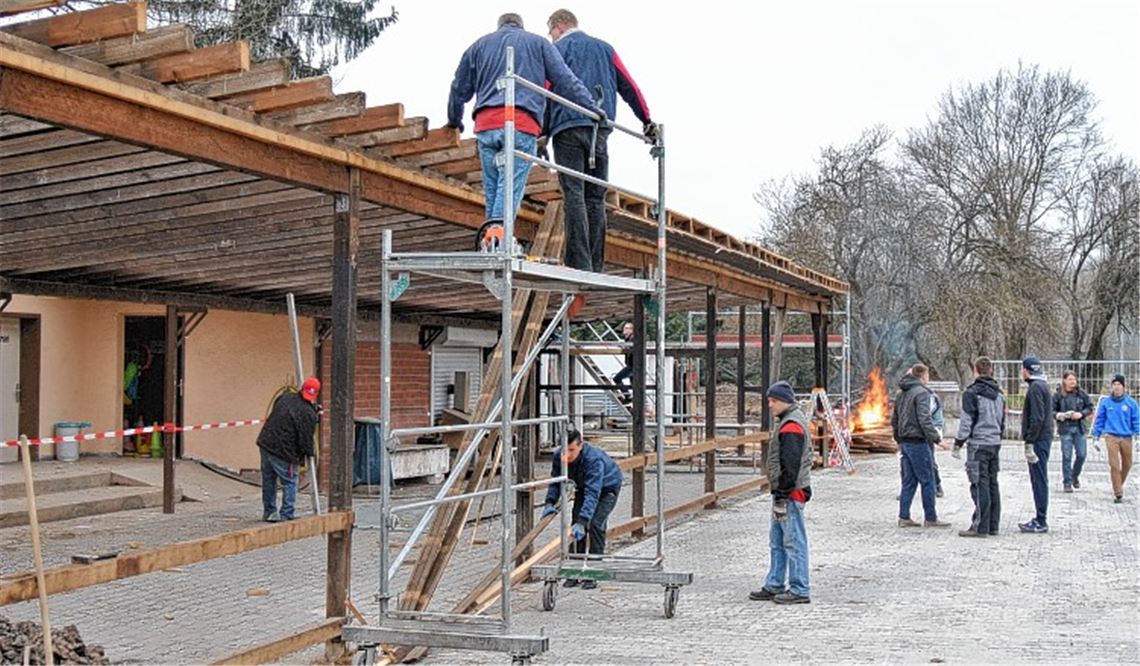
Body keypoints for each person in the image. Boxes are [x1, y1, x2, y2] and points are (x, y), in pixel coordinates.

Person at [447, 13, 601, 236]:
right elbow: (565, 80)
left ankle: (491, 238)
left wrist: (454, 120)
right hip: (520, 123)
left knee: (494, 190)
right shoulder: (538, 43)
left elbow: (458, 88)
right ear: (521, 26)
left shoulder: (478, 46)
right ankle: (497, 238)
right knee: (509, 188)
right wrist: (592, 107)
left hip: (486, 126)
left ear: (499, 26)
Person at [545, 8, 657, 273]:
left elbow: (545, 90)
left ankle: (578, 263)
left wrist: (540, 131)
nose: (550, 38)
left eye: (550, 32)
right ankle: (595, 264)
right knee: (595, 196)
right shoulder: (605, 49)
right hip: (600, 129)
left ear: (558, 26)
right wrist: (646, 121)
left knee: (574, 192)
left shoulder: (557, 50)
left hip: (567, 126)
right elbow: (630, 87)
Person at [749, 380, 813, 604]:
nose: (770, 405)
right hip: (784, 492)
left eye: (773, 400)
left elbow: (791, 465)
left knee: (793, 541)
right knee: (778, 540)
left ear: (784, 401)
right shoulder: (788, 422)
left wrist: (783, 493)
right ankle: (775, 582)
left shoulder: (791, 426)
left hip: (789, 492)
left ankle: (799, 588)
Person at [542, 428, 623, 589]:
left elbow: (593, 493)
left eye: (572, 450)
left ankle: (592, 572)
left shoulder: (593, 460)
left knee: (594, 525)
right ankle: (575, 569)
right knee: (575, 527)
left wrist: (583, 520)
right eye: (565, 450)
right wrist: (550, 502)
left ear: (581, 446)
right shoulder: (559, 456)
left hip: (607, 489)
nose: (568, 455)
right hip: (583, 487)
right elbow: (556, 481)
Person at [892, 364, 950, 528]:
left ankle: (904, 516)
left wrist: (899, 440)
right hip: (919, 442)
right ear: (923, 376)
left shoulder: (901, 393)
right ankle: (930, 518)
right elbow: (924, 419)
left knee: (908, 481)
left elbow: (894, 419)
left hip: (905, 442)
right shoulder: (922, 393)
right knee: (928, 480)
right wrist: (938, 439)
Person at [953, 356, 1005, 538]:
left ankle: (980, 526)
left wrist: (958, 442)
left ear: (975, 370)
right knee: (992, 483)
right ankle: (993, 525)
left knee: (978, 483)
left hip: (978, 444)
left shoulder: (971, 393)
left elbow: (966, 422)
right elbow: (1001, 420)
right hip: (994, 442)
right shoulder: (999, 394)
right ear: (990, 370)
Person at [255, 378, 321, 522]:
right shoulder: (308, 413)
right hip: (285, 452)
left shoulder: (285, 398)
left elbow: (284, 413)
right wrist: (309, 454)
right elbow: (306, 440)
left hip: (266, 443)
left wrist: (312, 412)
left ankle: (269, 512)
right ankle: (287, 513)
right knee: (290, 481)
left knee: (269, 480)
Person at [1018, 356, 1054, 534]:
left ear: (1026, 370)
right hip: (1043, 437)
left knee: (1039, 479)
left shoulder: (1035, 388)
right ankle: (1040, 517)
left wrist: (1030, 441)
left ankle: (1041, 519)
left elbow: (1037, 417)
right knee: (1039, 477)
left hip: (1039, 440)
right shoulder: (1042, 386)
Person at [1091, 374, 1139, 503]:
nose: (1116, 387)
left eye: (1119, 385)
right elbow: (1100, 419)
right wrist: (1096, 436)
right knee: (1114, 465)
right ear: (1111, 387)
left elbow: (1136, 420)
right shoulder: (1106, 403)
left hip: (1126, 437)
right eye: (1114, 385)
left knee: (1127, 464)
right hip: (1111, 436)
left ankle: (1118, 483)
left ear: (1123, 387)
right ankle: (1118, 493)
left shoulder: (1131, 403)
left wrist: (1138, 436)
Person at [1053, 370, 1093, 493]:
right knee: (1066, 456)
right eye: (1070, 380)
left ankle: (1074, 475)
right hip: (1065, 429)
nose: (1073, 382)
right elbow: (1051, 410)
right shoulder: (1058, 395)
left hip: (1079, 428)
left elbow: (1090, 407)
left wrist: (1081, 414)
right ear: (1064, 380)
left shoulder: (1081, 394)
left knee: (1082, 455)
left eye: (1074, 380)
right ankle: (1067, 482)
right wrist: (1060, 415)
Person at [612, 321, 634, 402]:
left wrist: (623, 347)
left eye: (626, 328)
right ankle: (632, 398)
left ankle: (628, 396)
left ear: (630, 330)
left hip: (633, 366)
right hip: (633, 365)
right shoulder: (628, 339)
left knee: (617, 379)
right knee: (634, 385)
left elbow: (631, 349)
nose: (624, 330)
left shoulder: (633, 338)